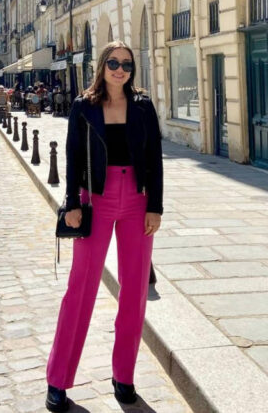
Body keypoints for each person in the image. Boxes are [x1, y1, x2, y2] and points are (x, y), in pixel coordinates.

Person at [45, 40, 163, 412]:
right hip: (95, 198)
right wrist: (72, 204)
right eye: (113, 63)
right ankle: (58, 378)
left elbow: (154, 157)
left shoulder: (143, 105)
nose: (120, 70)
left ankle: (123, 375)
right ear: (102, 66)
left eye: (126, 64)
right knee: (81, 287)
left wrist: (155, 207)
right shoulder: (84, 105)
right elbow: (73, 156)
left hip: (137, 199)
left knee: (135, 290)